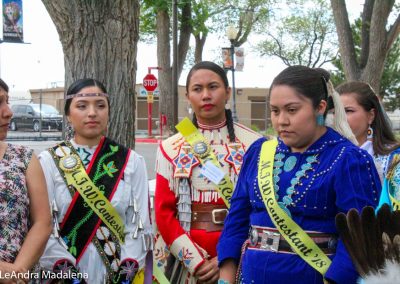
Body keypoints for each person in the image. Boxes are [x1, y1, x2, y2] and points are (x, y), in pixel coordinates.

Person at [217, 66, 382, 284]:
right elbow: (236, 221)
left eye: (291, 110)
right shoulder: (259, 152)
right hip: (252, 275)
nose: (281, 121)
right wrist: (225, 278)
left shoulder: (348, 159)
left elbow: (358, 240)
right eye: (275, 111)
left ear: (320, 107)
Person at [154, 61, 261, 283]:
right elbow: (164, 214)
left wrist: (226, 256)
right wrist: (196, 262)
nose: (205, 95)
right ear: (187, 96)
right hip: (189, 259)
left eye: (213, 87)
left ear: (227, 92)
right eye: (197, 89)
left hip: (240, 252)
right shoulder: (170, 148)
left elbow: (260, 209)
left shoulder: (255, 145)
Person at [38, 78, 152, 283]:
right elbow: (42, 225)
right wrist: (67, 273)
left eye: (100, 105)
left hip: (117, 273)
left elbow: (139, 225)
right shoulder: (49, 162)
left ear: (108, 112)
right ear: (68, 115)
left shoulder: (131, 162)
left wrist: (126, 270)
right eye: (82, 106)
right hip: (63, 275)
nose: (92, 113)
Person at [0, 78, 52, 282]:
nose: (8, 112)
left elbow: (43, 222)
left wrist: (16, 273)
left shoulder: (23, 158)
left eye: (7, 101)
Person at [335, 81, 400, 210]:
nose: (339, 118)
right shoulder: (323, 155)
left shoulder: (394, 160)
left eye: (348, 111)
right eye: (335, 112)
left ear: (371, 115)